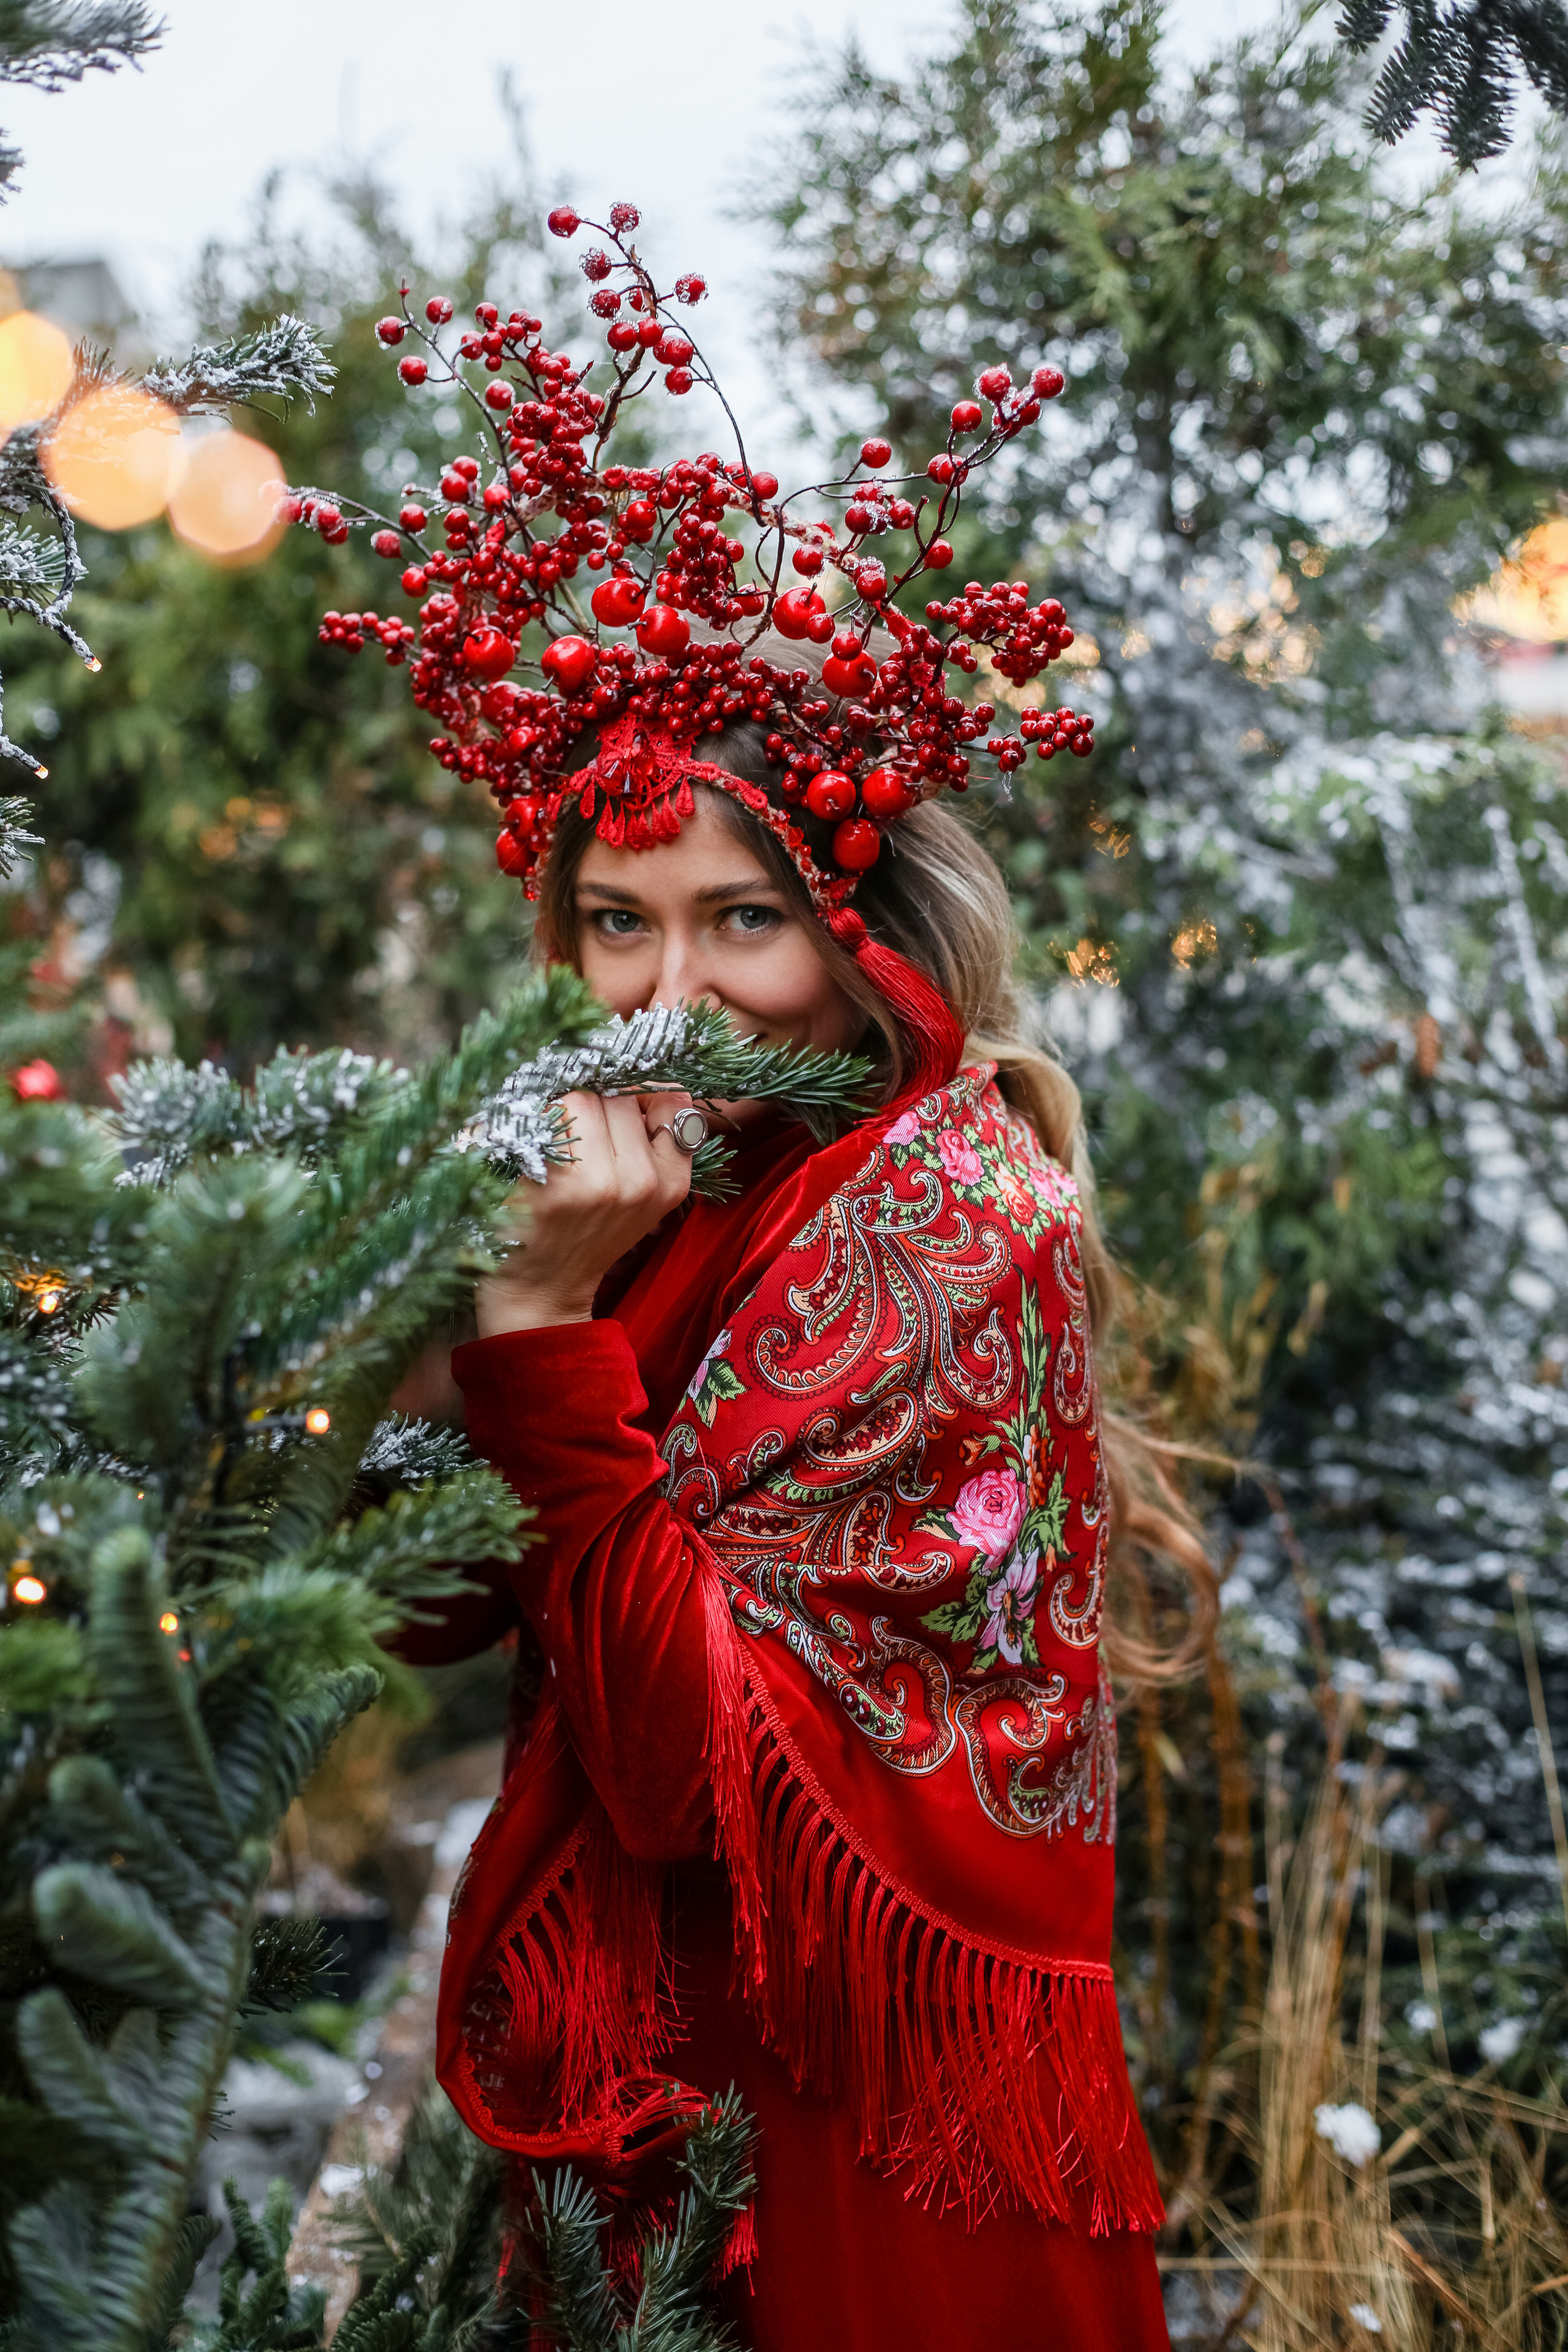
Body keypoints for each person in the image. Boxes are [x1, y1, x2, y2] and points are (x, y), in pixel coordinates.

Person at [370, 202, 1214, 2347]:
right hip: (673, 2112)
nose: (671, 993)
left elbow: (684, 1771)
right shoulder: (660, 1177)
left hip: (864, 2154)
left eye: (739, 918)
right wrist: (454, 1301)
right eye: (617, 923)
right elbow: (434, 1597)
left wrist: (544, 1340)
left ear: (858, 932)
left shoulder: (947, 1218)